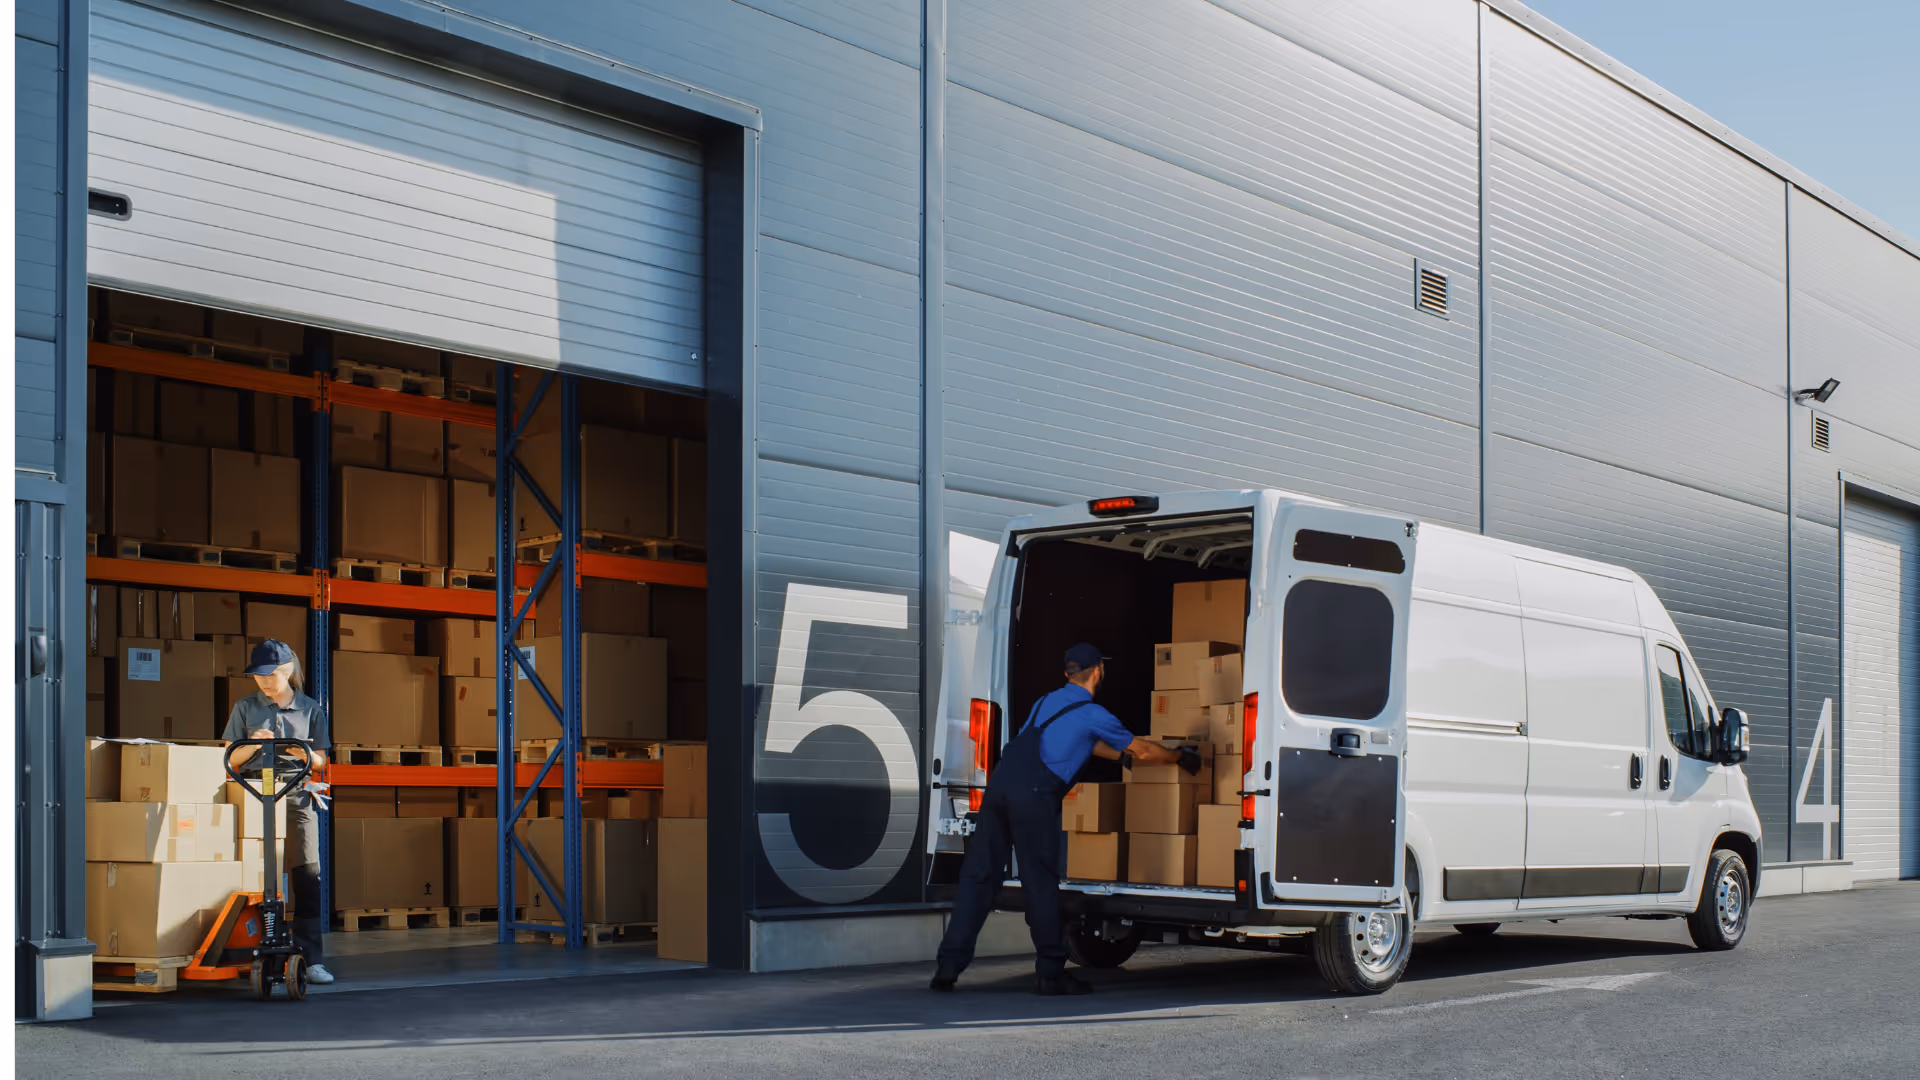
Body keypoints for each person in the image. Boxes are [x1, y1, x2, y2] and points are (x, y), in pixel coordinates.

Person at [932, 642, 1199, 995]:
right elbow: (1144, 749)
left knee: (979, 877)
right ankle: (1050, 973)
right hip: (1034, 798)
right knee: (1039, 883)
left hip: (999, 790)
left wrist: (1117, 758)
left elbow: (1075, 741)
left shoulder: (1046, 702)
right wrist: (1180, 756)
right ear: (1099, 671)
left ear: (1067, 673)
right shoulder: (1094, 713)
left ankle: (947, 969)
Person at [222, 639, 335, 985]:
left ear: (288, 671)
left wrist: (303, 754)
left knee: (307, 875)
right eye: (258, 676)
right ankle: (247, 950)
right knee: (256, 876)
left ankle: (311, 959)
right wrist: (252, 742)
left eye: (270, 674)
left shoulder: (310, 709)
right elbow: (228, 759)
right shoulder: (245, 707)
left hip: (296, 794)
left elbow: (322, 762)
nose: (265, 682)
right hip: (254, 794)